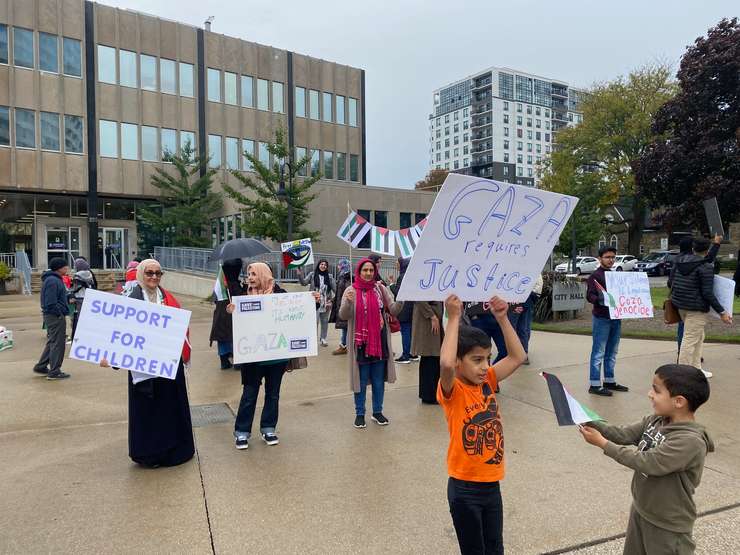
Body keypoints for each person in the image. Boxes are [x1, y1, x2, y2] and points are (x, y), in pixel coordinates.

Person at [579, 364, 713, 555]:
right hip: (642, 509)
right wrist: (590, 419)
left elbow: (648, 462)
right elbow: (622, 434)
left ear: (679, 401)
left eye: (656, 390)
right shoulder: (655, 421)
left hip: (668, 524)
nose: (650, 394)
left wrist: (602, 444)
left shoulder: (690, 441)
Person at [438, 294, 526, 555]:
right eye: (476, 360)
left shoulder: (487, 380)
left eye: (487, 358)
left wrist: (502, 318)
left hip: (491, 484)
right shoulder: (452, 390)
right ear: (458, 361)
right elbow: (444, 362)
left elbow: (517, 356)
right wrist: (453, 317)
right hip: (464, 488)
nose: (484, 366)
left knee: (495, 548)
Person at [101, 259, 195, 467]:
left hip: (168, 365)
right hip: (143, 369)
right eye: (149, 273)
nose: (154, 277)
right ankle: (150, 454)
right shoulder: (130, 298)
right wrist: (111, 357)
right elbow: (118, 331)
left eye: (158, 273)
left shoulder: (168, 298)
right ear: (141, 274)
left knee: (170, 409)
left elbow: (181, 328)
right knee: (148, 411)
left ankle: (174, 451)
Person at [228, 262, 289, 449]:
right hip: (252, 357)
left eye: (254, 274)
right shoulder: (242, 298)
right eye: (248, 274)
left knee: (273, 394)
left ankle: (268, 428)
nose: (250, 278)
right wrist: (231, 313)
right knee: (249, 394)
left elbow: (299, 312)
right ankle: (242, 432)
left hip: (276, 356)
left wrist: (314, 299)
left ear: (263, 275)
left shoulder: (280, 295)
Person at [339, 257, 402, 428]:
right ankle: (360, 413)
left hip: (379, 341)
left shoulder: (380, 289)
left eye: (371, 270)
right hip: (360, 342)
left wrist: (402, 297)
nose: (368, 273)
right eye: (365, 270)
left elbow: (394, 309)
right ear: (359, 272)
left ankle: (377, 412)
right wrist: (348, 302)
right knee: (361, 378)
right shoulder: (350, 290)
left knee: (378, 380)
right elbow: (343, 315)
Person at [670, 237, 732, 378]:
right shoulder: (705, 266)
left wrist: (716, 244)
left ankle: (697, 369)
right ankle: (682, 375)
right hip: (696, 308)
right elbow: (707, 293)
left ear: (693, 248)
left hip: (681, 306)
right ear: (706, 250)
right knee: (690, 340)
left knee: (698, 337)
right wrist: (722, 312)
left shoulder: (681, 260)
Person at [586, 245, 629, 396]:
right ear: (600, 259)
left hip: (616, 317)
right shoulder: (595, 276)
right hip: (602, 318)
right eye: (607, 257)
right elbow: (589, 296)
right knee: (599, 351)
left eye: (613, 257)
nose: (610, 260)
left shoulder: (615, 275)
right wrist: (602, 299)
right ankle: (595, 384)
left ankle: (609, 380)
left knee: (612, 351)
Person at [668, 235, 721, 356]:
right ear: (691, 248)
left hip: (680, 302)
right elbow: (708, 259)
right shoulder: (698, 262)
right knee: (689, 338)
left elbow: (670, 281)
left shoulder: (679, 260)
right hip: (694, 304)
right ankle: (684, 362)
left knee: (688, 333)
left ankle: (689, 359)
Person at [33, 257, 71, 380]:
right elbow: (51, 302)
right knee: (58, 343)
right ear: (60, 268)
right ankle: (55, 371)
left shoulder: (52, 279)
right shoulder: (53, 281)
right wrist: (59, 313)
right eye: (65, 266)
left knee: (52, 342)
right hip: (55, 316)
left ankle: (41, 366)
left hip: (53, 315)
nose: (67, 268)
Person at [209, 258, 245, 369]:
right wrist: (245, 288)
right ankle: (237, 363)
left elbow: (214, 299)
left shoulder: (221, 284)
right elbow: (240, 298)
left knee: (223, 341)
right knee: (234, 340)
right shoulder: (232, 283)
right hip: (231, 319)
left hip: (220, 316)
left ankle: (224, 362)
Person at [297, 259, 336, 347]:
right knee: (314, 322)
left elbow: (336, 290)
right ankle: (313, 339)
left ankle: (323, 338)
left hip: (325, 303)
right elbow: (303, 283)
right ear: (318, 265)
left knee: (324, 321)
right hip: (314, 302)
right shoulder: (312, 274)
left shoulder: (330, 277)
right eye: (322, 264)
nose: (323, 266)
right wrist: (300, 274)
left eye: (325, 265)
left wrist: (332, 300)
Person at [411, 302, 443, 403]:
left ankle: (432, 393)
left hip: (435, 318)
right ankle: (429, 395)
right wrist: (431, 316)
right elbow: (419, 300)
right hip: (428, 321)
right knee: (430, 356)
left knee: (434, 358)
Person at [508, 273, 543, 365]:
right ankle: (522, 353)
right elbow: (538, 286)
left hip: (519, 298)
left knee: (514, 328)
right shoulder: (532, 268)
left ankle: (517, 353)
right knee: (523, 328)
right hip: (526, 299)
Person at [389, 257, 416, 364]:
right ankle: (412, 354)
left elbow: (398, 292)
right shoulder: (410, 275)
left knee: (405, 332)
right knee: (409, 332)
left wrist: (391, 284)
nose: (396, 264)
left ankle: (405, 356)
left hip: (404, 309)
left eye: (398, 262)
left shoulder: (402, 276)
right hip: (411, 308)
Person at [69, 257, 96, 341]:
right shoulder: (89, 274)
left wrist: (70, 292)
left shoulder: (78, 276)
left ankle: (78, 338)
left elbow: (75, 288)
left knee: (77, 319)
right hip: (87, 297)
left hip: (79, 299)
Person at [329, 258, 351, 355]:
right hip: (340, 304)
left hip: (346, 305)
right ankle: (344, 345)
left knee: (346, 326)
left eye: (339, 265)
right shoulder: (342, 276)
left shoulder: (348, 277)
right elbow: (339, 292)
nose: (338, 267)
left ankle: (344, 346)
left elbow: (348, 292)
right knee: (344, 327)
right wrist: (333, 300)